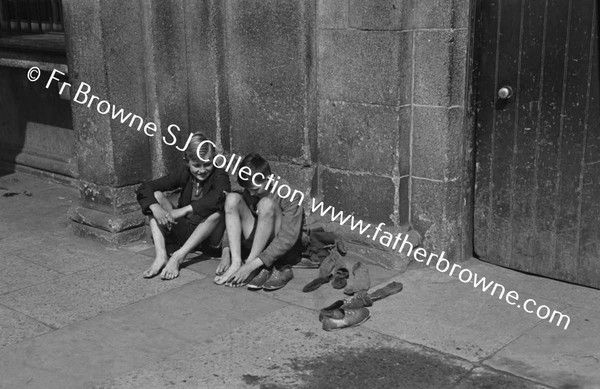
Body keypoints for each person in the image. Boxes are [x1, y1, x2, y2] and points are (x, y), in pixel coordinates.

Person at [136, 132, 230, 280]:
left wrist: (183, 210)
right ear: (187, 162)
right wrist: (155, 208)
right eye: (196, 165)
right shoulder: (184, 173)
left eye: (207, 164)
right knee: (156, 197)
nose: (202, 170)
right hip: (183, 230)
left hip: (206, 235)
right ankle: (161, 256)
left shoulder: (219, 175)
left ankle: (178, 257)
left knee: (218, 213)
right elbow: (145, 187)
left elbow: (218, 197)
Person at [214, 153, 304, 290]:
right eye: (248, 190)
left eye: (255, 189)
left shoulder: (290, 195)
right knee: (232, 198)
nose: (251, 194)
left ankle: (250, 264)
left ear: (269, 179)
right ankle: (236, 264)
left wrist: (251, 265)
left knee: (266, 204)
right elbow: (234, 221)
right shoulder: (251, 190)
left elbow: (288, 237)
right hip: (257, 240)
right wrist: (226, 251)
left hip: (281, 248)